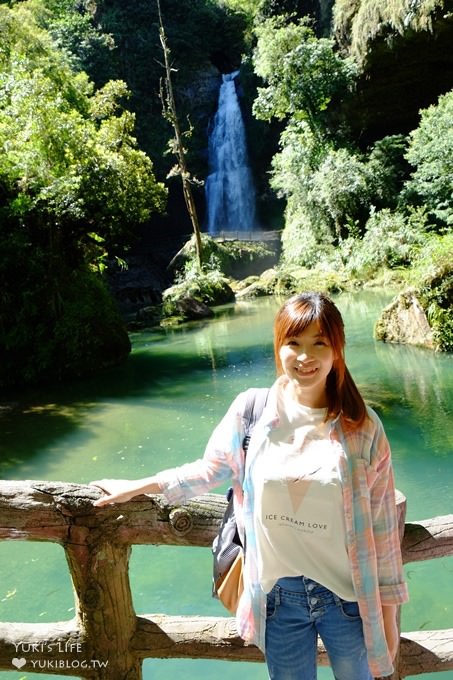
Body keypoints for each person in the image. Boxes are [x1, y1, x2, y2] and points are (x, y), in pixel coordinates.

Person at [91, 291, 408, 680]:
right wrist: (140, 486)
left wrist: (389, 616)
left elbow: (382, 530)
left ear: (337, 351)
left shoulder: (362, 426)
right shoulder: (252, 411)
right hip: (276, 598)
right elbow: (210, 469)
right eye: (294, 343)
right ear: (279, 347)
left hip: (347, 599)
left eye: (318, 343)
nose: (305, 356)